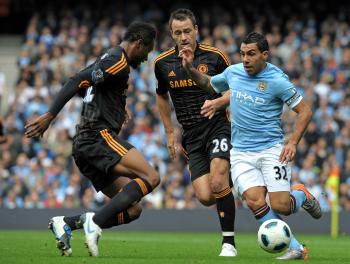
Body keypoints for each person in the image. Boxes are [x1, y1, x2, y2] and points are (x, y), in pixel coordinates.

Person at [180, 32, 322, 260]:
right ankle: (294, 247)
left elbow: (305, 110)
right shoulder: (234, 72)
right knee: (255, 201)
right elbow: (208, 84)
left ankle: (302, 195)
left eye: (251, 54)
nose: (245, 59)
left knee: (282, 205)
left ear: (264, 55)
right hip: (241, 152)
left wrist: (293, 142)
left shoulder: (277, 80)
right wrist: (189, 68)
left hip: (271, 149)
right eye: (243, 54)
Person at [25, 21, 159, 257]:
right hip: (97, 137)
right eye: (147, 51)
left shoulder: (109, 57)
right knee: (151, 176)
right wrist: (49, 115)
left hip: (85, 145)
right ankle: (94, 223)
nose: (146, 58)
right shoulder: (117, 61)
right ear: (139, 44)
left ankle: (67, 223)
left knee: (133, 209)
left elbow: (89, 86)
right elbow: (76, 81)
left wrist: (117, 106)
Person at [154, 9, 237, 257]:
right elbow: (161, 95)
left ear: (196, 30)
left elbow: (238, 88)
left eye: (187, 31)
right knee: (205, 196)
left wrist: (219, 103)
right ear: (172, 34)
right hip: (191, 134)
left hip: (217, 125)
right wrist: (170, 132)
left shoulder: (215, 57)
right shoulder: (162, 63)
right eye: (178, 32)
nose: (183, 36)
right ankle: (239, 180)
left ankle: (229, 243)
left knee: (218, 179)